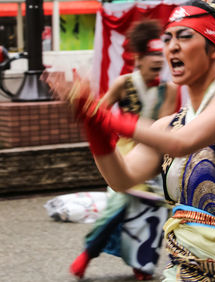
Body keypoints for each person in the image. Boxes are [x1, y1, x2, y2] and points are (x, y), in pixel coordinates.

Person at [48, 1, 215, 281]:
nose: (171, 46)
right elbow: (121, 179)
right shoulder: (169, 125)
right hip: (189, 267)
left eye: (185, 37)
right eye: (168, 38)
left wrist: (103, 117)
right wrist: (94, 129)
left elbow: (183, 143)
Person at [69, 20, 178, 280]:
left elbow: (161, 128)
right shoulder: (123, 84)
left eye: (158, 55)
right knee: (115, 210)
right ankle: (88, 254)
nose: (156, 61)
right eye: (151, 55)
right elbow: (98, 112)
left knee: (153, 215)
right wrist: (85, 107)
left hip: (154, 157)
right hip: (127, 155)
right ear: (138, 58)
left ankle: (142, 267)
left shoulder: (169, 90)